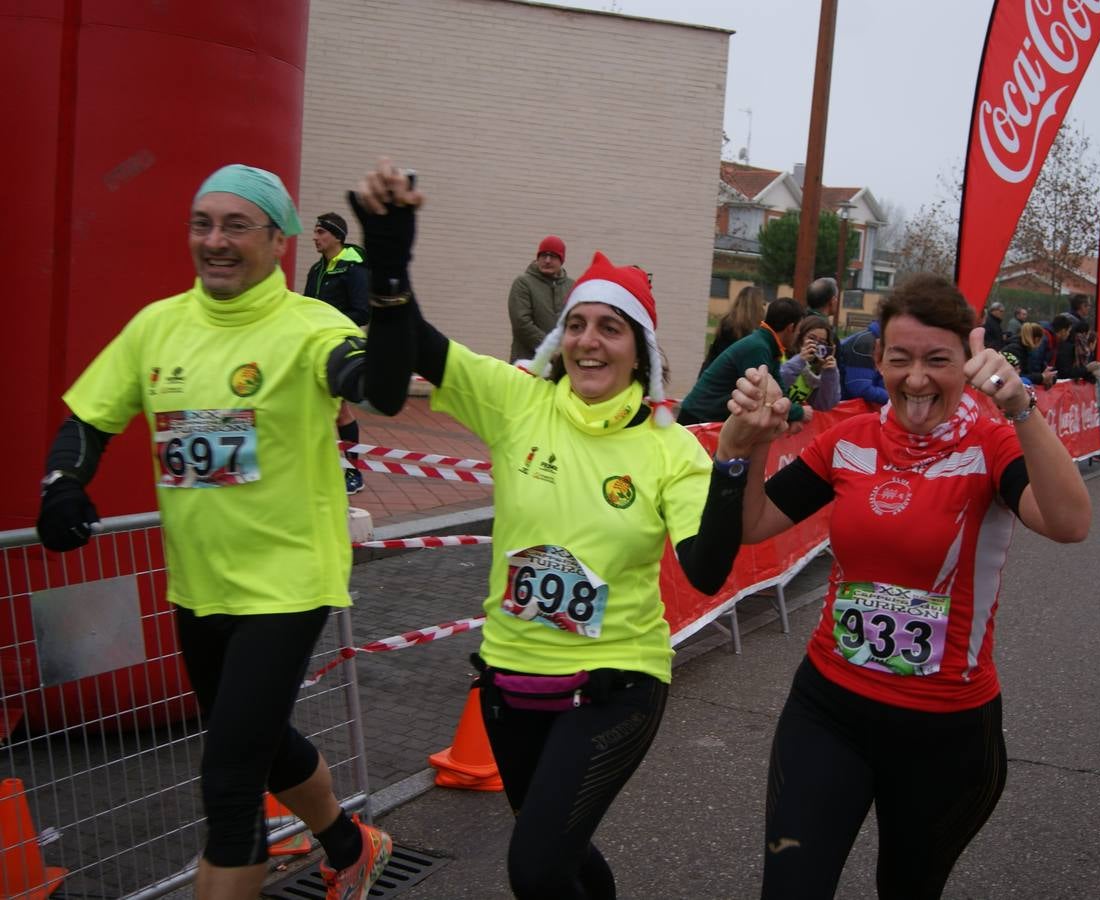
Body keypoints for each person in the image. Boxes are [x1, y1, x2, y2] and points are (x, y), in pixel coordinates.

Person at [348, 159, 744, 900]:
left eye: (611, 328)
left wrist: (733, 467)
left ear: (641, 349)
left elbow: (707, 568)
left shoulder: (669, 449)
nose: (589, 342)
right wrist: (391, 267)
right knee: (559, 855)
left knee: (533, 866)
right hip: (510, 681)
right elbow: (421, 347)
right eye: (578, 325)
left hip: (615, 683)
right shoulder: (519, 402)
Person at [35, 164, 397, 900]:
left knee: (229, 782)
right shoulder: (157, 326)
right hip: (199, 584)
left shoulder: (311, 325)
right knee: (261, 744)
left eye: (237, 225)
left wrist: (378, 342)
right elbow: (90, 419)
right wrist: (64, 483)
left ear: (279, 240)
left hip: (289, 582)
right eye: (202, 224)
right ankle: (351, 844)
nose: (215, 240)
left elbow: (363, 377)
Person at [716, 272, 1090, 900]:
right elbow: (752, 525)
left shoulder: (991, 444)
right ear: (879, 360)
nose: (916, 379)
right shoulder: (848, 441)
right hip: (829, 709)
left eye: (937, 360)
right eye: (899, 359)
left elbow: (1070, 523)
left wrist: (1020, 407)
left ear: (968, 361)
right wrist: (749, 444)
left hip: (945, 730)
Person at [303, 211, 372, 494]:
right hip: (312, 348)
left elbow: (362, 312)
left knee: (340, 412)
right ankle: (321, 467)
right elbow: (306, 307)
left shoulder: (353, 269)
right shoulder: (316, 270)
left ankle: (354, 471)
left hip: (339, 349)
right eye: (315, 231)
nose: (314, 237)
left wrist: (329, 324)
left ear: (337, 237)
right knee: (314, 408)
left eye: (321, 232)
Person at [678, 298, 810, 425]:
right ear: (790, 328)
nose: (798, 335)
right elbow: (764, 397)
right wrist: (799, 413)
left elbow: (780, 392)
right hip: (698, 418)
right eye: (799, 330)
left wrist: (791, 413)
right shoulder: (758, 348)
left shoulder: (769, 346)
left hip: (706, 415)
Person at [508, 235, 575, 363]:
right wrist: (550, 350)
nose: (547, 260)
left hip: (559, 366)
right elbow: (522, 324)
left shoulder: (571, 286)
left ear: (561, 260)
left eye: (553, 256)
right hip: (527, 363)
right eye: (543, 255)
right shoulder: (524, 283)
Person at [779, 314, 841, 411]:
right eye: (811, 338)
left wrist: (830, 373)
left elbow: (824, 405)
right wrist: (800, 360)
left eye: (822, 342)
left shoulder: (815, 371)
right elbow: (776, 386)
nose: (816, 344)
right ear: (800, 337)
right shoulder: (782, 356)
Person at [702, 284, 766, 374]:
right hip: (719, 375)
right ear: (755, 305)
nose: (764, 307)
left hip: (714, 371)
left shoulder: (729, 321)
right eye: (762, 303)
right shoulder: (733, 326)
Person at [837, 319, 890, 405]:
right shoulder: (864, 343)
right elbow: (860, 388)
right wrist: (893, 397)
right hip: (841, 406)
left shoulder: (884, 342)